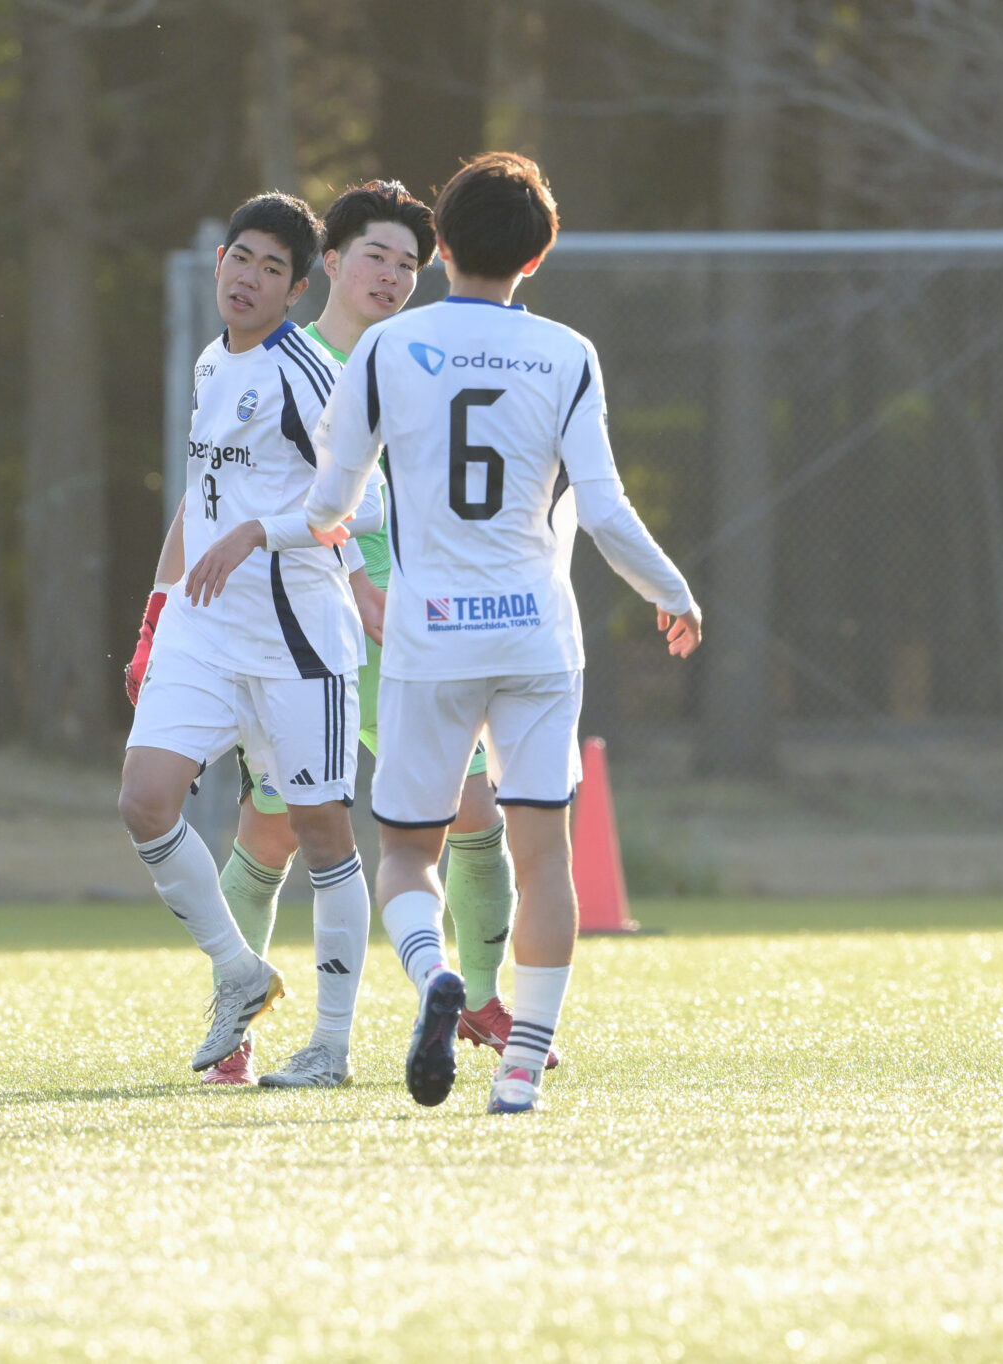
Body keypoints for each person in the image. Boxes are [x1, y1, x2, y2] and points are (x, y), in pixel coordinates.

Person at [126, 180, 553, 1086]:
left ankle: (473, 998)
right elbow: (214, 499)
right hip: (299, 620)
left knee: (469, 814)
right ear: (329, 266)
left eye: (408, 263)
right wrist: (159, 613)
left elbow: (407, 496)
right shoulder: (266, 355)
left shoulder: (426, 360)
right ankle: (241, 1018)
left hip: (403, 622)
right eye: (375, 257)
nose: (391, 276)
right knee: (270, 831)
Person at [303, 152, 701, 1114]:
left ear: (439, 244)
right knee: (543, 855)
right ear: (539, 255)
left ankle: (436, 972)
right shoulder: (567, 353)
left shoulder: (388, 349)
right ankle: (522, 1067)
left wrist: (326, 525)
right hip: (536, 638)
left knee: (409, 851)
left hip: (430, 637)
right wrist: (673, 590)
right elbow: (603, 509)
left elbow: (331, 499)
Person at [117, 192, 383, 1082]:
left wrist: (260, 534)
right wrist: (156, 615)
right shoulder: (208, 363)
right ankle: (240, 972)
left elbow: (365, 503)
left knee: (320, 833)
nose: (250, 278)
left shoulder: (306, 371)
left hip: (298, 642)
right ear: (220, 261)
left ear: (297, 289)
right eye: (241, 258)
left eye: (273, 269)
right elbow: (201, 501)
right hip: (204, 633)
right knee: (145, 800)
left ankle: (331, 1045)